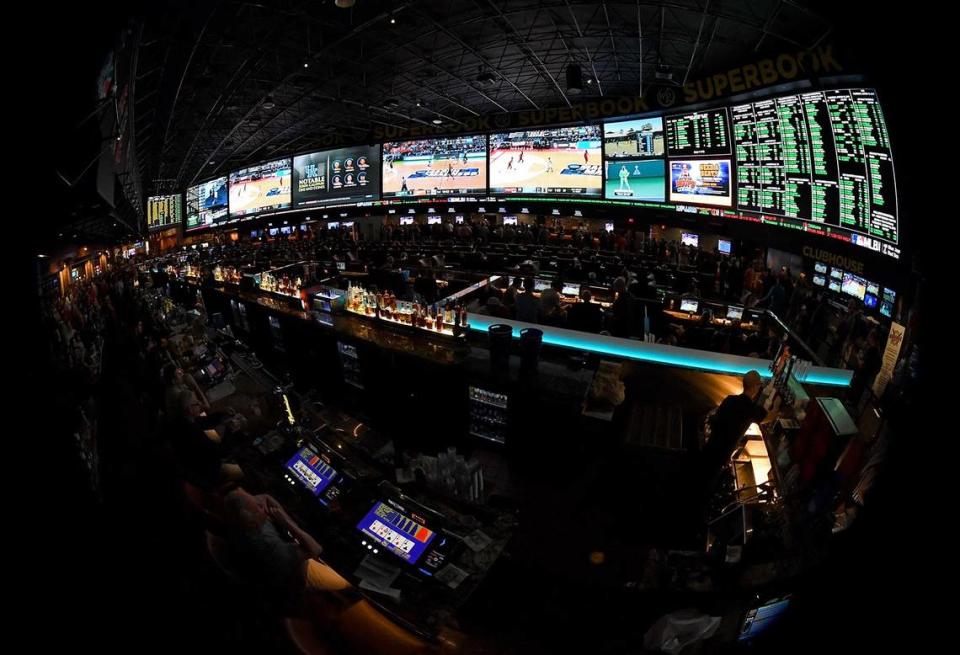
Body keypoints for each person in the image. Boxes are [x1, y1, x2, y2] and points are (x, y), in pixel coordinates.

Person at [222, 488, 343, 601]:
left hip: (276, 561)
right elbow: (316, 549)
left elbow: (265, 497)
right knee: (344, 582)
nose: (260, 503)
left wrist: (258, 504)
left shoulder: (238, 520)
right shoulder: (270, 546)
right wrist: (286, 521)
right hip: (297, 574)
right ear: (252, 521)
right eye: (258, 507)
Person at [700, 370, 780, 504]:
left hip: (710, 446)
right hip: (722, 453)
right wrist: (777, 406)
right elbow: (767, 417)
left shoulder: (730, 399)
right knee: (708, 483)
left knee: (702, 474)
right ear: (755, 387)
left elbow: (717, 418)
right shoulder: (750, 408)